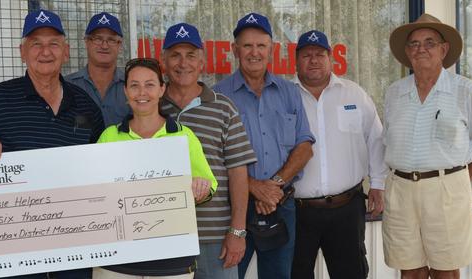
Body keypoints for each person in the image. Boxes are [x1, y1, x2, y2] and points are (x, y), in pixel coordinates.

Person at [0, 9, 103, 279]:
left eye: (53, 43)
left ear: (66, 51)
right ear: (22, 52)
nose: (46, 51)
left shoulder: (86, 105)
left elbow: (103, 167)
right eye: (36, 44)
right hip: (13, 248)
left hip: (74, 245)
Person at [383, 13, 472, 279]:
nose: (421, 49)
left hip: (446, 191)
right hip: (400, 190)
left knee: (446, 271)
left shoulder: (465, 90)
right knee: (410, 271)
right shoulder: (394, 92)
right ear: (407, 52)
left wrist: (457, 183)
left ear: (444, 49)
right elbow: (387, 143)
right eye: (414, 44)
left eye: (429, 42)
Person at [213, 12, 315, 279]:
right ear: (235, 50)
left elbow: (305, 145)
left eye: (261, 45)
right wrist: (256, 187)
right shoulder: (217, 96)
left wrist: (274, 186)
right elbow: (212, 158)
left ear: (272, 49)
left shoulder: (289, 92)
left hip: (280, 204)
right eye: (247, 45)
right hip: (233, 209)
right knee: (229, 275)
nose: (254, 52)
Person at [94, 57, 217, 279]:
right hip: (117, 263)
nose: (142, 92)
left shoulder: (183, 136)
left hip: (171, 263)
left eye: (150, 85)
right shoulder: (109, 137)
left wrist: (201, 188)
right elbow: (95, 194)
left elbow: (208, 185)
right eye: (134, 85)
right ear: (125, 91)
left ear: (162, 89)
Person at [159, 23, 257, 279]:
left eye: (191, 55)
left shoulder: (224, 108)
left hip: (216, 241)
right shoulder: (150, 107)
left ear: (202, 61)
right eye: (175, 55)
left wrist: (237, 231)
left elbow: (238, 171)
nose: (183, 63)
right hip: (163, 237)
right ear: (164, 61)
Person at [290, 30, 387, 279]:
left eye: (320, 54)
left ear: (330, 58)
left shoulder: (354, 94)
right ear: (296, 60)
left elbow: (376, 139)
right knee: (296, 274)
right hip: (297, 210)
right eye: (306, 55)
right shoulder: (284, 96)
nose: (313, 60)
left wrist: (378, 184)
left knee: (351, 274)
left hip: (347, 208)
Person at [66, 12, 129, 127]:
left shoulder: (132, 86)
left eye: (111, 40)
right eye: (98, 39)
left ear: (119, 45)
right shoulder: (66, 86)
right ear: (86, 42)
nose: (104, 46)